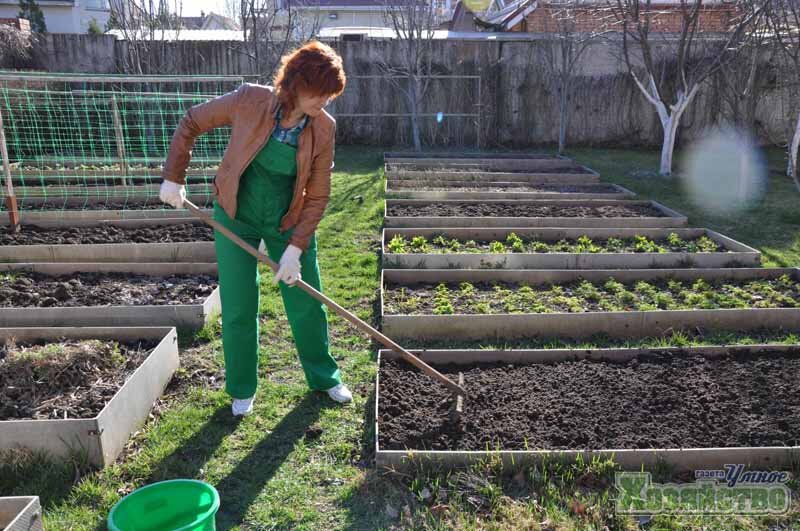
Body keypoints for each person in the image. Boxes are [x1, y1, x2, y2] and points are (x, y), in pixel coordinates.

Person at [159, 41, 350, 416]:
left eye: (331, 95)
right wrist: (173, 177)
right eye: (320, 92)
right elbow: (192, 121)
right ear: (296, 84)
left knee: (307, 301)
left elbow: (319, 194)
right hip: (236, 214)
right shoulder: (249, 100)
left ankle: (324, 377)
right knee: (238, 306)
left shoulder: (323, 128)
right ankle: (242, 388)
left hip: (286, 218)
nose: (325, 101)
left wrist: (295, 249)